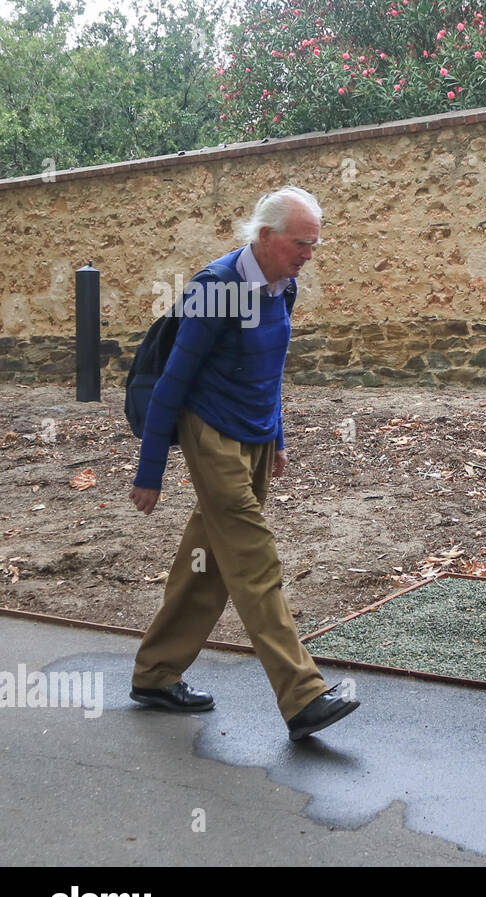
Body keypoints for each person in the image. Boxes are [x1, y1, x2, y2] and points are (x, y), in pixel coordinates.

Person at [127, 186, 359, 741]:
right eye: (302, 243)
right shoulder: (217, 289)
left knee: (208, 561)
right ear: (266, 237)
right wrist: (150, 470)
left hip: (254, 435)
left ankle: (156, 675)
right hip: (210, 433)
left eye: (315, 244)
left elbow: (269, 371)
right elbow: (172, 384)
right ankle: (303, 695)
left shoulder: (285, 286)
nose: (309, 254)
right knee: (254, 560)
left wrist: (275, 438)